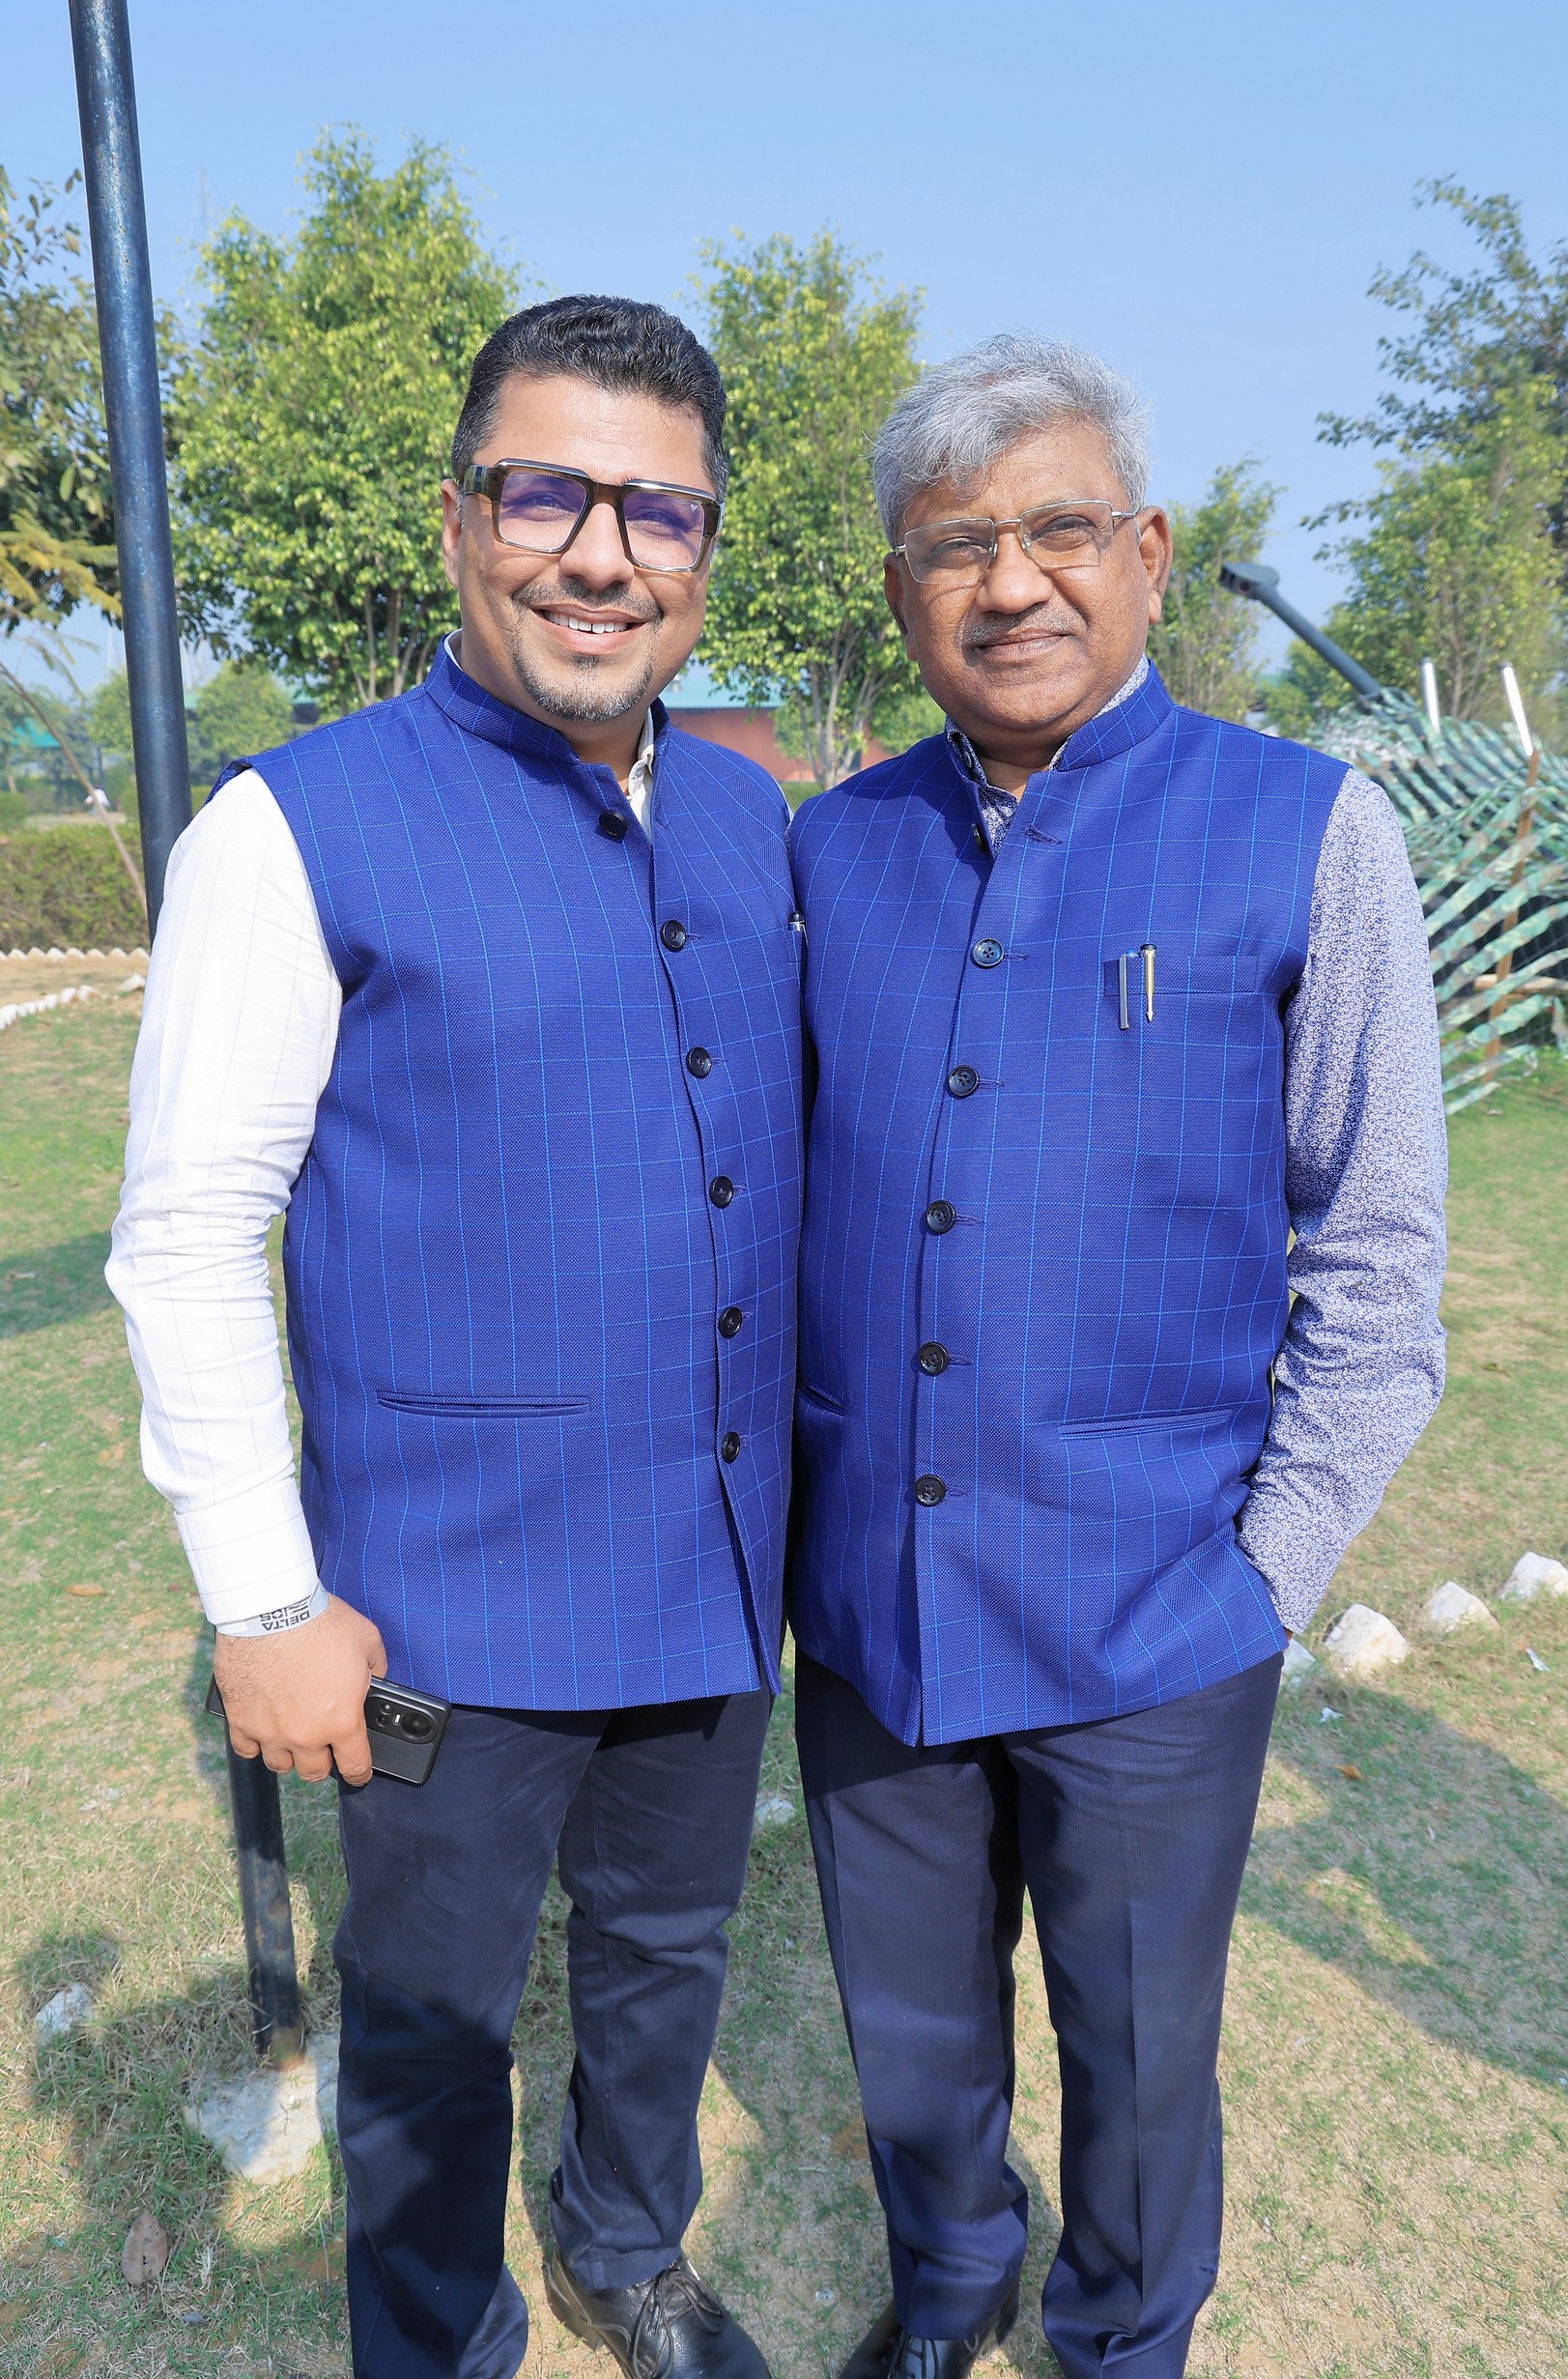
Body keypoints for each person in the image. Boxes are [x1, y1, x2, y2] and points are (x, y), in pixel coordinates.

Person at [108, 297, 804, 2379]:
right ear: (456, 520)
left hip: (711, 1563)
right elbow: (186, 1233)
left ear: (702, 549)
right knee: (428, 2018)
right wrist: (262, 1597)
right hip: (433, 1607)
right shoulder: (290, 828)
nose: (600, 552)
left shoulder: (748, 816)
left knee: (667, 1948)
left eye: (656, 510)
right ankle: (434, 2337)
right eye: (545, 492)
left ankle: (626, 2244)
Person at [787, 333, 1446, 2379]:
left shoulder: (1301, 830)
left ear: (1148, 552)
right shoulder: (830, 848)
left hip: (1157, 1612)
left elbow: (1377, 1256)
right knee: (909, 2028)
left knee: (1139, 2045)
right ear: (900, 590)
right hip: (874, 1596)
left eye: (1058, 528)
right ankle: (948, 2283)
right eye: (953, 546)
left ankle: (1120, 2336)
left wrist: (1261, 1576)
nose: (1010, 583)